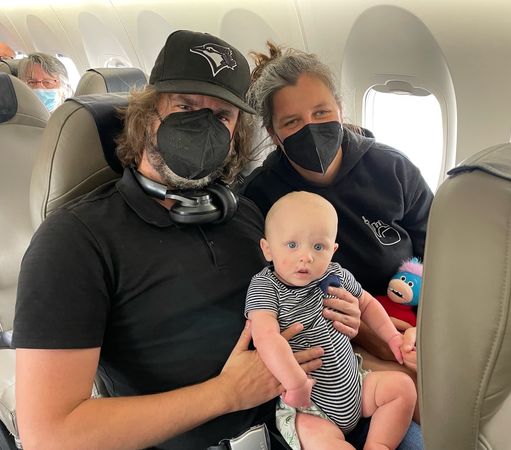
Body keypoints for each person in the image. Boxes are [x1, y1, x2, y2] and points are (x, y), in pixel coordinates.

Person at [13, 30, 364, 450]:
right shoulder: (75, 241)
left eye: (221, 117)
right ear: (146, 114)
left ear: (237, 135)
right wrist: (225, 393)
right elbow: (49, 434)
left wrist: (344, 319)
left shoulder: (247, 214)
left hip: (312, 418)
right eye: (185, 106)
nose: (203, 125)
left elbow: (288, 295)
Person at [243, 42, 433, 375]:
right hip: (330, 334)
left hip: (408, 312)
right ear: (273, 134)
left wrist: (428, 326)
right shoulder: (261, 193)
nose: (311, 128)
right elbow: (272, 284)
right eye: (292, 122)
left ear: (340, 110)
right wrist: (369, 332)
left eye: (321, 113)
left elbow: (437, 254)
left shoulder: (392, 169)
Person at [246, 191, 417, 450]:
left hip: (356, 386)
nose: (306, 257)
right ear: (267, 249)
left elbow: (368, 303)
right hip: (309, 406)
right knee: (318, 440)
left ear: (333, 249)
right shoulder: (266, 286)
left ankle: (378, 445)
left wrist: (391, 336)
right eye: (292, 245)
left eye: (318, 247)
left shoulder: (335, 274)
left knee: (402, 388)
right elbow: (265, 337)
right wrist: (295, 383)